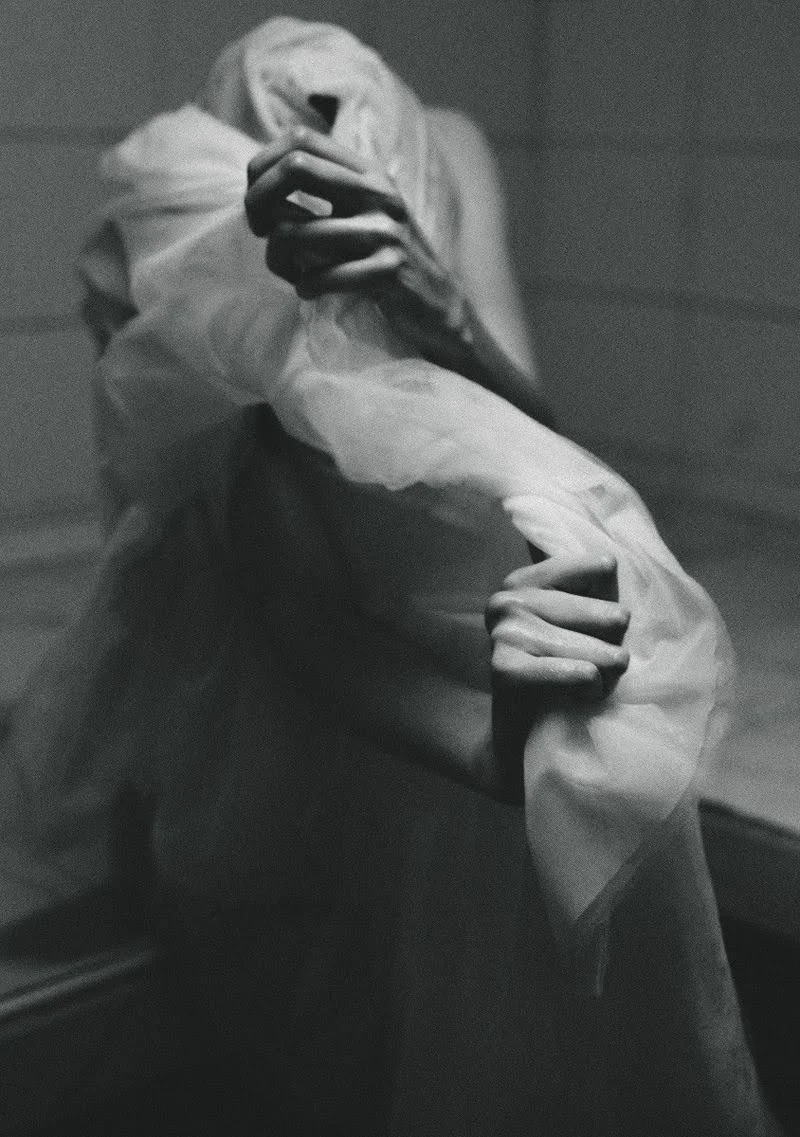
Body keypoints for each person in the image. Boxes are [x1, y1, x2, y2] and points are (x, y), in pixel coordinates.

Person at [2, 17, 777, 1136]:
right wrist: (484, 743)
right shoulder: (168, 205)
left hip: (415, 641)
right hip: (263, 709)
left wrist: (439, 303)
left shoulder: (450, 144)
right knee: (322, 1050)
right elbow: (288, 602)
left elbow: (531, 438)